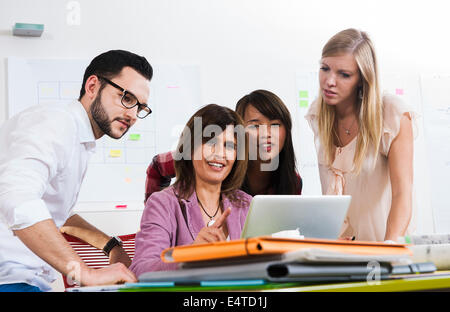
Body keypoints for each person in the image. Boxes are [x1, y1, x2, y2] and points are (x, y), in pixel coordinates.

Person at [0, 50, 153, 291]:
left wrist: (111, 246)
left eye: (140, 107)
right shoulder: (56, 123)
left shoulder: (79, 138)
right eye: (126, 98)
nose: (133, 114)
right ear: (92, 86)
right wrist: (86, 273)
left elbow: (58, 214)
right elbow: (18, 199)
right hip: (8, 278)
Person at [305, 28, 417, 242]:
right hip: (341, 252)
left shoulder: (392, 114)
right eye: (325, 68)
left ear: (362, 79)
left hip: (384, 245)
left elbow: (402, 193)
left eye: (344, 74)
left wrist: (389, 247)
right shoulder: (318, 115)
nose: (329, 81)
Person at [130, 104, 251, 276]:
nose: (220, 154)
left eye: (229, 146)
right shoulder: (162, 204)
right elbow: (141, 270)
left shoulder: (248, 205)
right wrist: (191, 256)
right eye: (210, 142)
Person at [144, 89, 302, 201]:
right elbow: (158, 165)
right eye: (254, 125)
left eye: (275, 125)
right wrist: (154, 211)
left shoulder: (291, 182)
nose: (267, 134)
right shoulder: (219, 159)